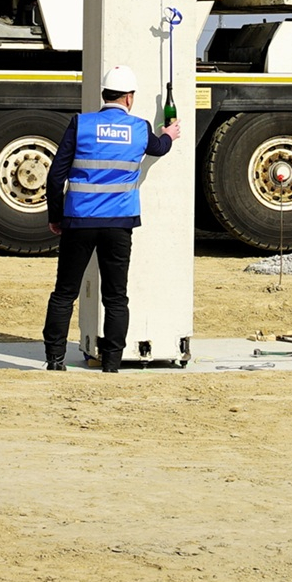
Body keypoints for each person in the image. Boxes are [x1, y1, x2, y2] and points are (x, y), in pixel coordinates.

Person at [42, 65, 181, 372]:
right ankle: (112, 363)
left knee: (65, 292)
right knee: (116, 297)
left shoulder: (81, 124)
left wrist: (56, 216)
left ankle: (54, 359)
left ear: (104, 95)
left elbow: (55, 177)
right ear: (129, 98)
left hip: (78, 221)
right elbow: (159, 147)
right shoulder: (140, 128)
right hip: (119, 223)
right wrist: (169, 134)